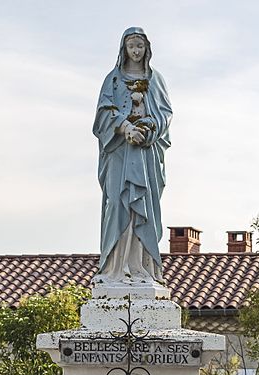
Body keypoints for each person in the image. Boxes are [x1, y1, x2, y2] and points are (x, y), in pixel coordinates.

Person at [92, 28, 172, 286]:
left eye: (139, 46)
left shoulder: (156, 79)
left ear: (146, 48)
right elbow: (103, 114)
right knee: (117, 203)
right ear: (124, 49)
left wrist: (147, 128)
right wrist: (125, 127)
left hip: (145, 153)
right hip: (119, 151)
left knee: (143, 208)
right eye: (131, 46)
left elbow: (165, 114)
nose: (135, 51)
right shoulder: (112, 80)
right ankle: (115, 269)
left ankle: (141, 268)